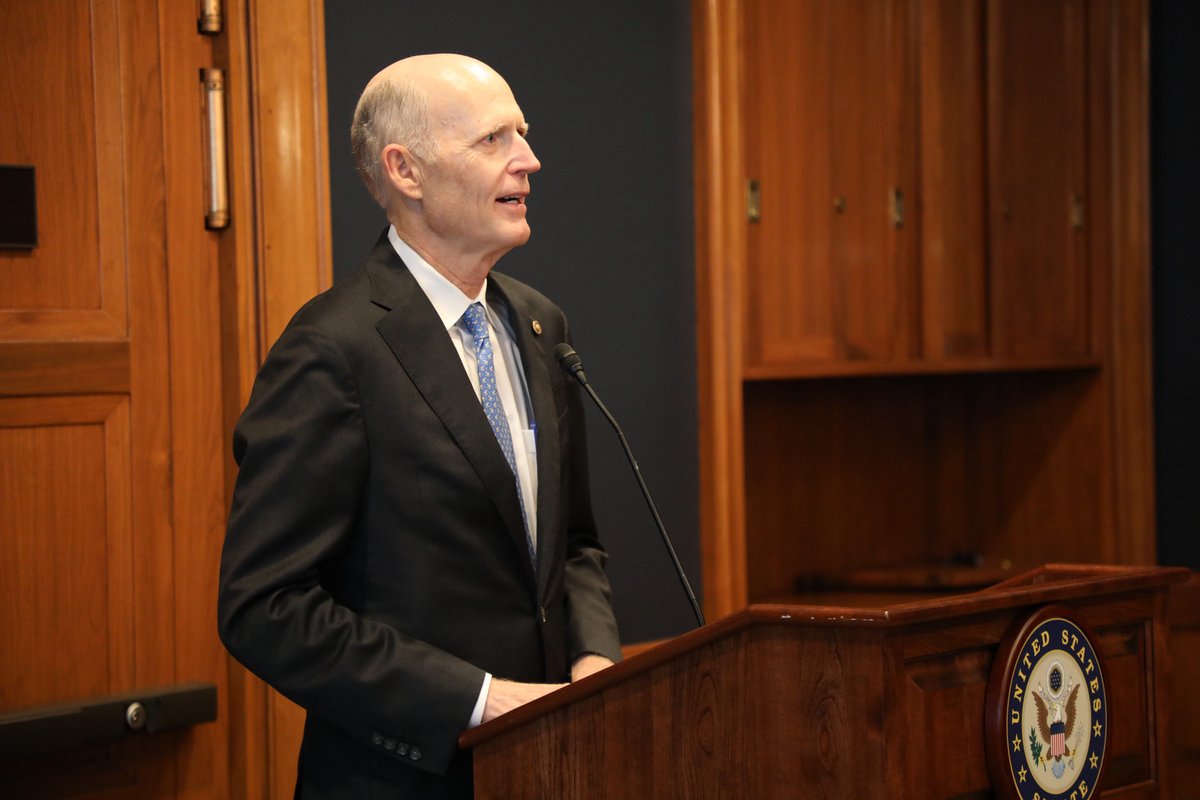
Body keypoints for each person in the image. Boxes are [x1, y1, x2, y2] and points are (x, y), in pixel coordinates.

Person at [217, 54, 621, 798]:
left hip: (549, 763)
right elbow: (265, 608)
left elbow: (576, 546)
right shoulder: (332, 350)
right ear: (406, 171)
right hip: (402, 776)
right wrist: (477, 698)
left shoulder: (540, 325)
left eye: (523, 134)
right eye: (494, 140)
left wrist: (595, 657)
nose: (530, 160)